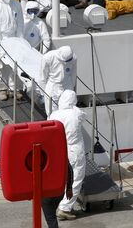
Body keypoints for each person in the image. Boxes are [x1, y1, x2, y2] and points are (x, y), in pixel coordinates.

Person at [49, 90, 86, 220]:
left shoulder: (54, 115)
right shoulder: (75, 114)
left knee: (62, 179)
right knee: (75, 179)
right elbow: (82, 115)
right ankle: (65, 207)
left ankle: (57, 203)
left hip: (59, 150)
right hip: (74, 151)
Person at [38, 46, 77, 116]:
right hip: (53, 86)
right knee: (52, 113)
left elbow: (73, 74)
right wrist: (43, 93)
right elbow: (42, 77)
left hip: (67, 85)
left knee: (67, 110)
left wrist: (71, 88)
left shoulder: (73, 58)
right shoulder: (48, 57)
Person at [42, 160, 74, 228]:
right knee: (52, 214)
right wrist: (69, 188)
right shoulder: (60, 152)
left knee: (51, 218)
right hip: (59, 191)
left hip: (45, 192)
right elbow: (69, 170)